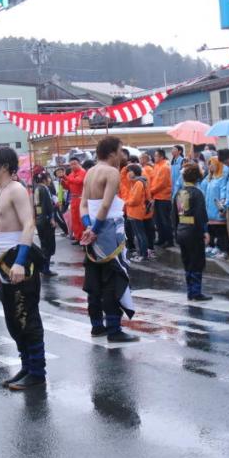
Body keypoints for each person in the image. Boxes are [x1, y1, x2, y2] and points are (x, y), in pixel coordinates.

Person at [0, 146, 48, 390]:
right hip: (3, 261)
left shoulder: (17, 189)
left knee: (27, 316)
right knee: (13, 318)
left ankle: (37, 371)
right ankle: (26, 366)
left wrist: (21, 261)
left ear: (3, 166)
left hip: (20, 259)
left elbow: (28, 224)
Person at [81, 136, 139, 342]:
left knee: (94, 276)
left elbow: (84, 205)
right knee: (113, 276)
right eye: (121, 150)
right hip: (107, 228)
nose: (123, 155)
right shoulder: (112, 172)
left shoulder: (89, 172)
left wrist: (88, 226)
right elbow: (105, 206)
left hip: (93, 227)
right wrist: (95, 228)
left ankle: (97, 325)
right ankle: (114, 328)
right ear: (113, 153)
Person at [173, 163, 212, 301]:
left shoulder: (180, 192)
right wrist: (205, 231)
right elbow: (200, 214)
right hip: (194, 232)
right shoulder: (197, 193)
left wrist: (176, 231)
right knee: (197, 261)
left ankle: (190, 291)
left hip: (182, 230)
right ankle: (196, 292)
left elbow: (175, 215)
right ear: (197, 178)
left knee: (187, 261)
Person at [201, 157, 229, 259]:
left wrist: (222, 206)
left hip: (217, 210)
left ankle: (224, 250)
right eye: (209, 164)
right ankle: (213, 246)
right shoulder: (210, 178)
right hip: (209, 211)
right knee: (212, 230)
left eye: (212, 163)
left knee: (221, 231)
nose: (210, 166)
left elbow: (223, 193)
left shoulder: (221, 178)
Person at [124, 164, 152, 261]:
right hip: (133, 212)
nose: (128, 173)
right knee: (139, 234)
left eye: (130, 171)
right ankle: (141, 253)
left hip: (136, 212)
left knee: (140, 234)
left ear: (134, 172)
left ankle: (143, 255)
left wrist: (126, 202)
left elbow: (135, 200)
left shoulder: (138, 183)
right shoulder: (136, 182)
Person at [33, 172, 57, 277]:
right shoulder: (44, 189)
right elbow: (47, 205)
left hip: (39, 220)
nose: (50, 180)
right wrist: (51, 218)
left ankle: (44, 267)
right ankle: (45, 268)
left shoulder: (37, 188)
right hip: (45, 221)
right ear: (44, 179)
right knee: (48, 245)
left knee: (44, 244)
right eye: (48, 178)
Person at [150, 149, 174, 249]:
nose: (154, 157)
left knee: (165, 221)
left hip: (164, 197)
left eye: (156, 156)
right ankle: (161, 239)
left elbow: (162, 183)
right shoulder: (157, 166)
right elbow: (154, 181)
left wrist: (151, 191)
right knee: (158, 221)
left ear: (161, 156)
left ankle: (169, 240)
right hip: (157, 196)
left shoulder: (164, 167)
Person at [62, 157, 87, 243]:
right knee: (75, 219)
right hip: (73, 199)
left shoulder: (83, 172)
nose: (72, 166)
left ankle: (84, 238)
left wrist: (65, 177)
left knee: (81, 220)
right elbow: (68, 186)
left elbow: (78, 181)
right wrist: (62, 182)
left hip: (81, 198)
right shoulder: (72, 174)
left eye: (74, 163)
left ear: (79, 163)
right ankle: (78, 237)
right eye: (71, 164)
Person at [138, 153, 158, 258]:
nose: (139, 160)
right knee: (148, 226)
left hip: (147, 201)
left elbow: (150, 185)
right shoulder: (147, 169)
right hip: (148, 200)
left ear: (145, 159)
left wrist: (150, 198)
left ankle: (149, 249)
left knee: (148, 226)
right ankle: (150, 248)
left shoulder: (146, 170)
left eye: (141, 158)